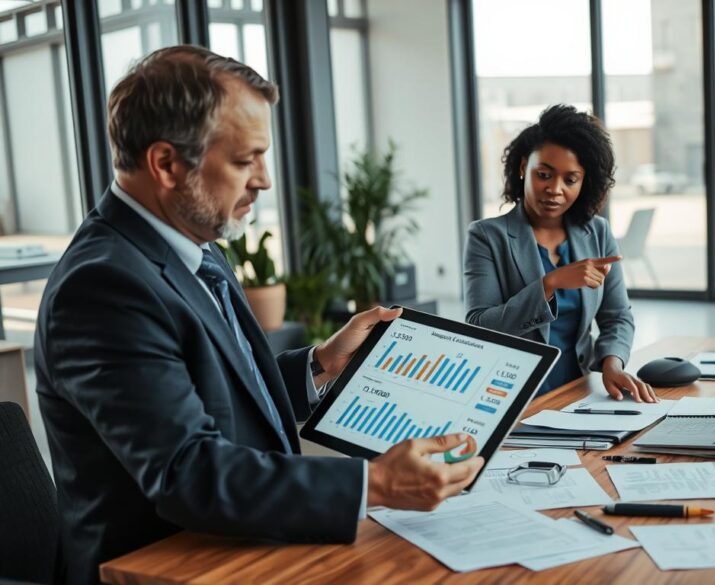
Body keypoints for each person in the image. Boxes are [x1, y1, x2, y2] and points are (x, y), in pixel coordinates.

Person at [34, 45, 483, 584]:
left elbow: (213, 395)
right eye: (246, 160)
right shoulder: (102, 286)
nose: (265, 180)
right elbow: (186, 472)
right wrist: (375, 485)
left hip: (242, 546)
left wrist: (318, 364)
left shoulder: (194, 245)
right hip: (167, 567)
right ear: (167, 164)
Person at [463, 104, 654, 402]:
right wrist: (549, 285)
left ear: (584, 183)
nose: (555, 189)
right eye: (544, 174)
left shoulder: (598, 233)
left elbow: (617, 317)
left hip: (577, 392)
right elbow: (478, 326)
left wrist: (612, 364)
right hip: (510, 396)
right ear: (523, 167)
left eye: (570, 179)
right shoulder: (487, 236)